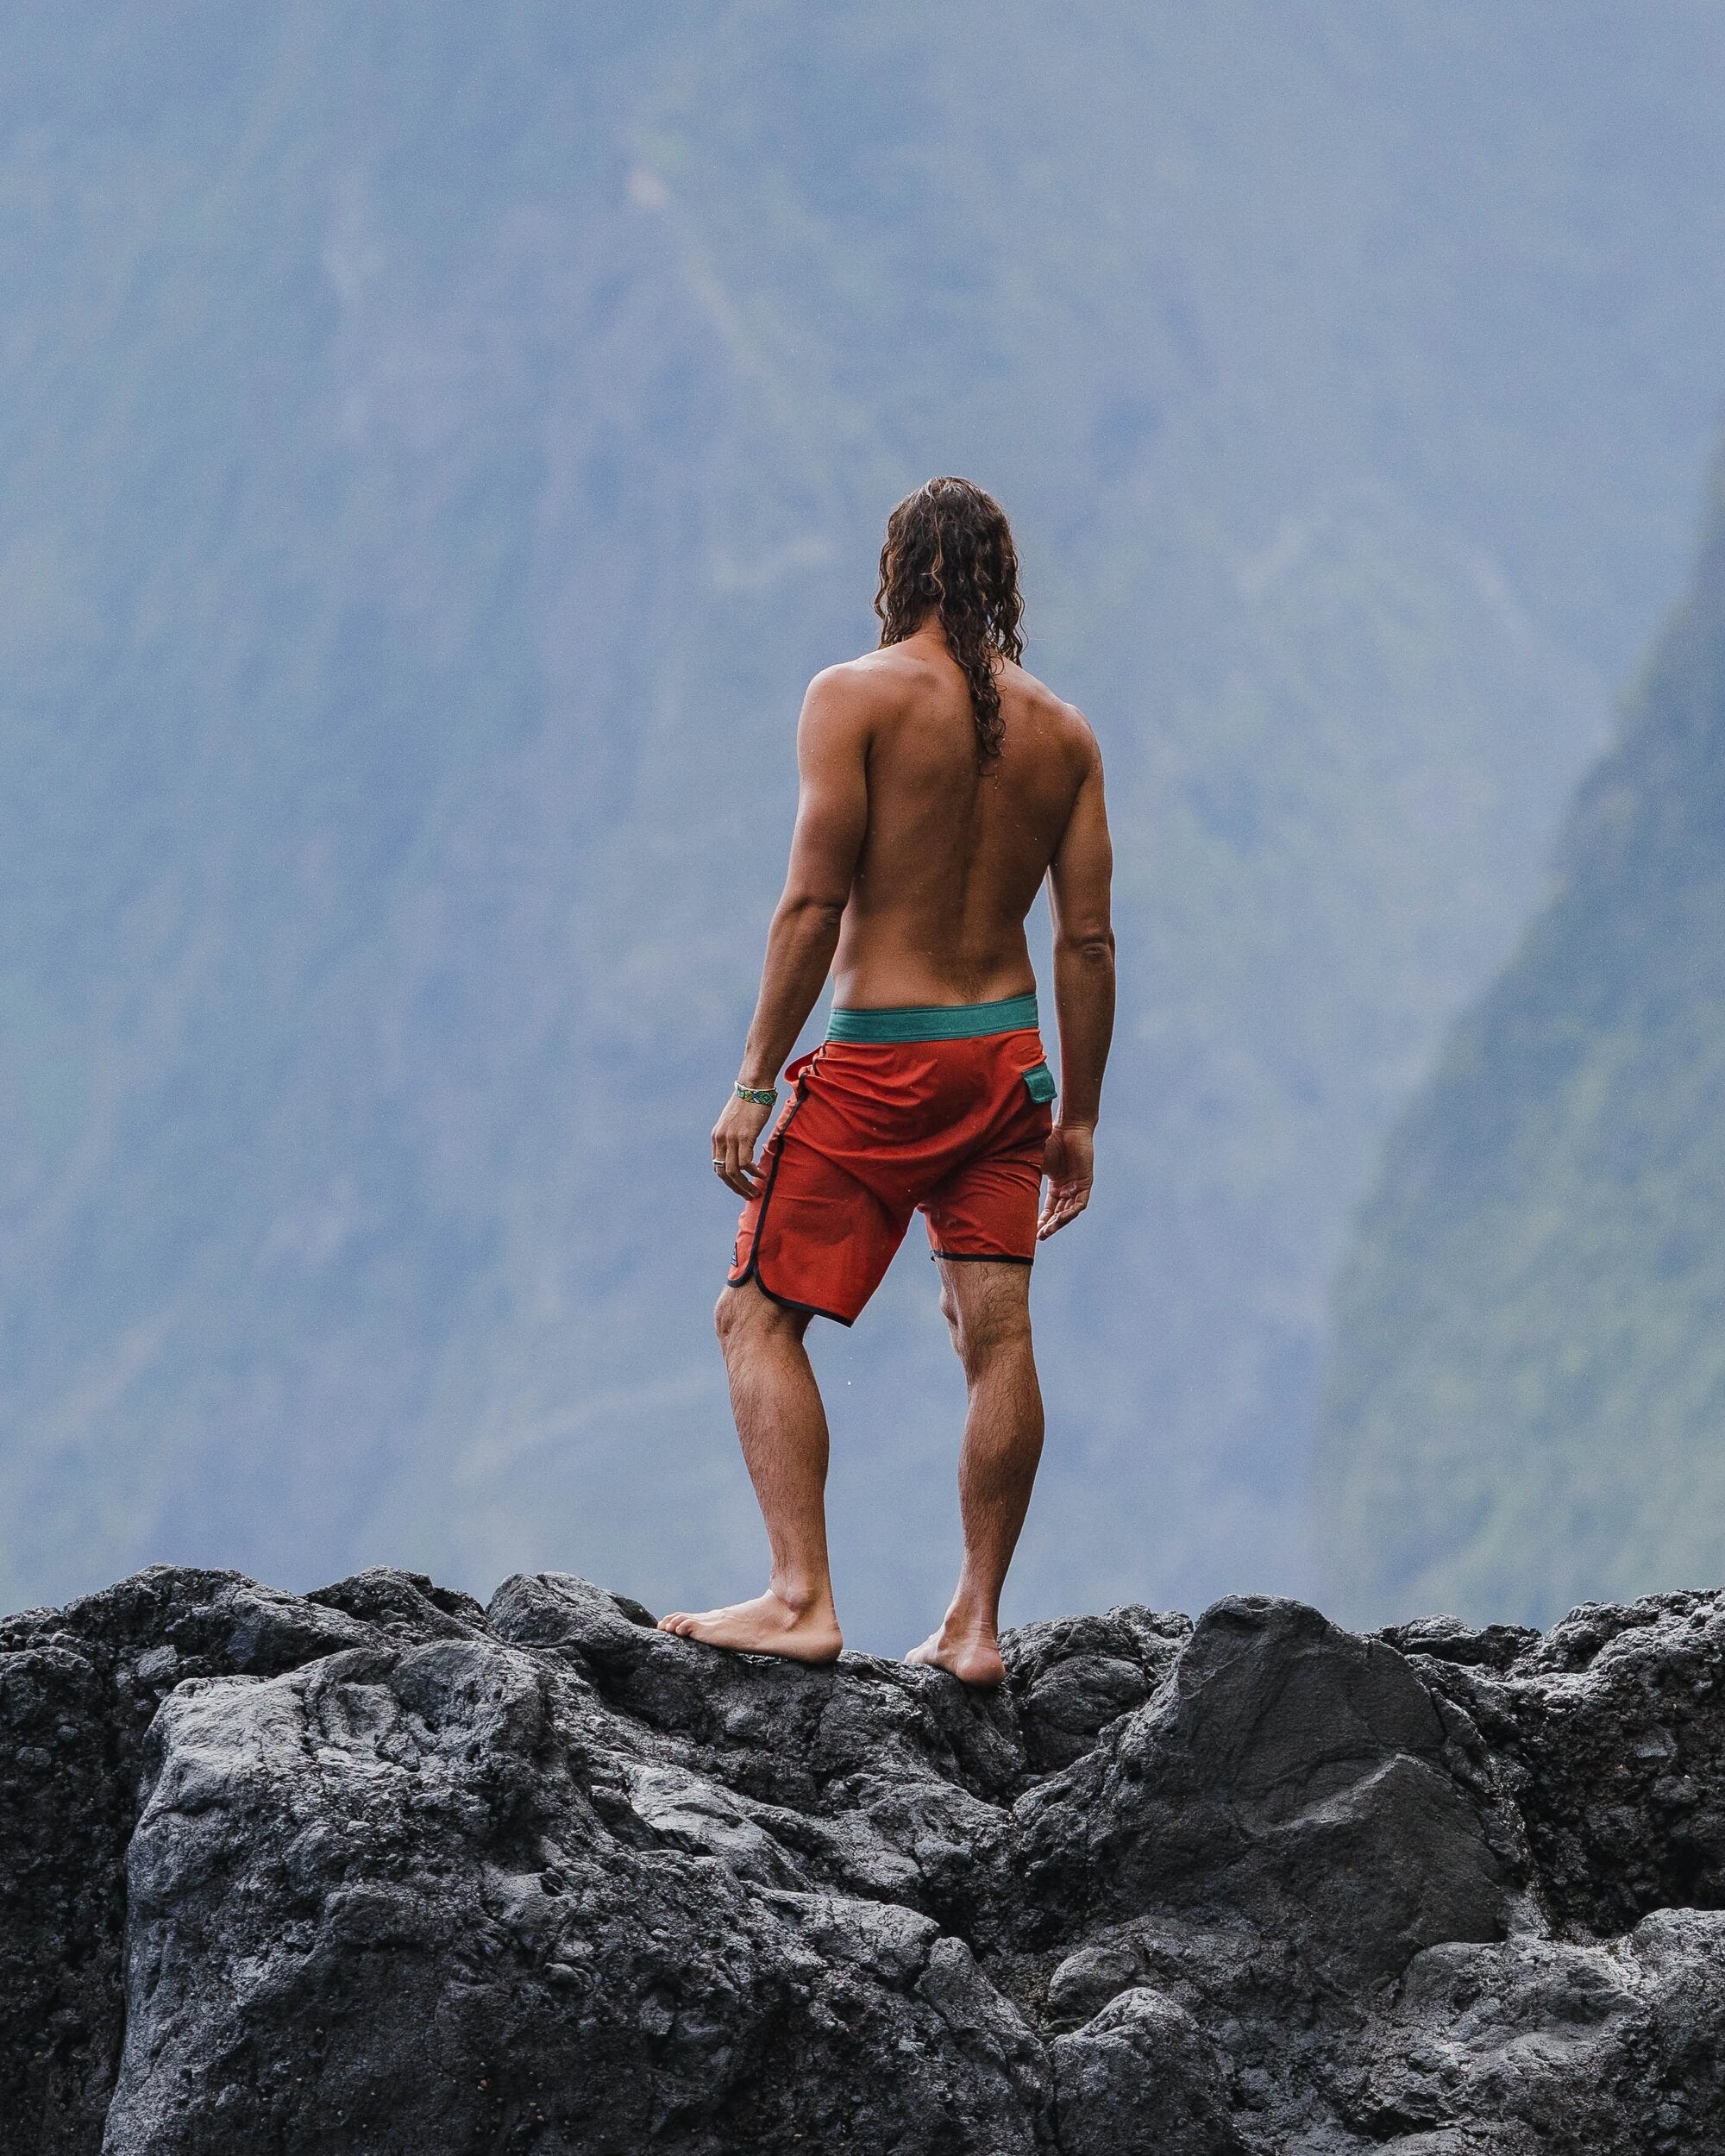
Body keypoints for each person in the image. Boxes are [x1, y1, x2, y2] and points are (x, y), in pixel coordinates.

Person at [659, 477, 1114, 1684]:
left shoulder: (851, 698)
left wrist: (756, 1080)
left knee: (754, 1315)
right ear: (1003, 582)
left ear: (896, 573)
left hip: (880, 1063)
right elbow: (1087, 942)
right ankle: (976, 1625)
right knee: (998, 1338)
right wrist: (1078, 1117)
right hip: (1006, 1063)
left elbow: (814, 902)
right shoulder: (1064, 734)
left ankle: (800, 1598)